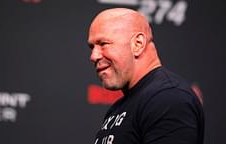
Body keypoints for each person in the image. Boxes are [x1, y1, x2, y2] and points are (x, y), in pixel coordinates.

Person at [87, 8, 204, 144]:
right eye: (92, 47)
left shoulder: (168, 97)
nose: (93, 56)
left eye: (103, 44)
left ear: (138, 44)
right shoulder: (121, 106)